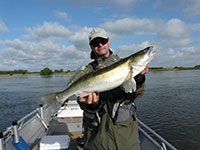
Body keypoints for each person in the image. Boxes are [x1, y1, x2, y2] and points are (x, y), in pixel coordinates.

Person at [76, 28, 148, 150]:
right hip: (96, 140)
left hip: (125, 139)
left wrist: (139, 79)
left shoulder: (124, 65)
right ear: (91, 46)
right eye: (95, 42)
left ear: (108, 41)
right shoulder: (86, 72)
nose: (100, 44)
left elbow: (135, 95)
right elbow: (81, 101)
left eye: (103, 41)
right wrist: (91, 105)